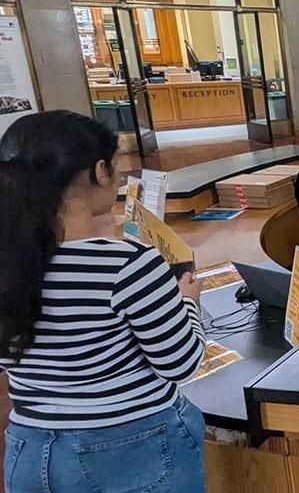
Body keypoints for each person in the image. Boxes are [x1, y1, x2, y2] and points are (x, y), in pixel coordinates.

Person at [0, 111, 207, 492]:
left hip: (28, 450)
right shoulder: (127, 262)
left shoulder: (9, 262)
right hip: (131, 449)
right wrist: (187, 302)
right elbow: (181, 363)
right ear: (100, 172)